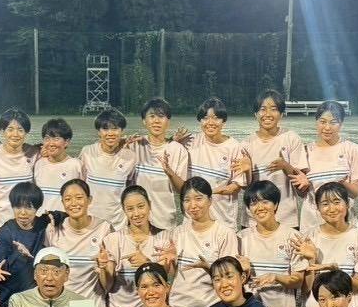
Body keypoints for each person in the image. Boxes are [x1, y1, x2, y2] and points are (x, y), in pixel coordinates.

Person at [294, 182, 358, 307]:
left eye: (337, 202)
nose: (331, 209)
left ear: (348, 204)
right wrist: (312, 260)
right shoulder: (307, 238)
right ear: (317, 208)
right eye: (325, 204)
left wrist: (337, 274)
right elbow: (306, 289)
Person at [97, 185, 173, 307]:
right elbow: (106, 285)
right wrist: (103, 268)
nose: (136, 213)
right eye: (130, 209)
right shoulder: (113, 240)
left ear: (150, 205)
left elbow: (165, 281)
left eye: (141, 206)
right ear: (124, 210)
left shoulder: (164, 237)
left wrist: (147, 263)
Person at [167, 178, 240, 307]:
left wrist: (208, 268)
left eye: (198, 198)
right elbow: (172, 274)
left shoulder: (224, 233)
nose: (193, 205)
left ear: (210, 200)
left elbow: (229, 276)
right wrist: (169, 262)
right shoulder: (177, 232)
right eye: (187, 200)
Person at [237, 180, 303, 307]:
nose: (260, 207)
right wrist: (243, 272)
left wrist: (276, 277)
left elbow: (299, 281)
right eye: (254, 203)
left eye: (265, 202)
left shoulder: (293, 236)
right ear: (248, 209)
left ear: (276, 205)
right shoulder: (240, 238)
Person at [296, 100, 358, 231]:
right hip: (312, 222)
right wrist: (301, 186)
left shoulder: (352, 149)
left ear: (341, 124)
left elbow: (356, 193)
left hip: (343, 220)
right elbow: (302, 194)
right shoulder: (305, 151)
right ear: (316, 122)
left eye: (333, 122)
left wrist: (342, 183)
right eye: (322, 122)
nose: (327, 127)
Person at [242, 89, 308, 228]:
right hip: (254, 219)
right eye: (262, 109)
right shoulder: (246, 144)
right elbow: (244, 187)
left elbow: (302, 187)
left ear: (281, 114)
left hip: (286, 218)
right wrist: (247, 170)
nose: (268, 114)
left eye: (273, 109)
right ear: (255, 114)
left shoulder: (291, 138)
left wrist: (285, 166)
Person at [44, 179, 112, 304]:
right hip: (60, 304)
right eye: (68, 199)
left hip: (89, 304)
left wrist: (103, 268)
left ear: (89, 200)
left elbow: (109, 285)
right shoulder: (53, 229)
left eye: (79, 197)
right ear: (62, 202)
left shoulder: (104, 229)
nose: (74, 203)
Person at [186, 97, 251, 226]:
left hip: (223, 221)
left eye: (216, 118)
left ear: (223, 121)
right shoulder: (190, 142)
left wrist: (207, 192)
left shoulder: (234, 147)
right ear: (200, 121)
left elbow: (235, 187)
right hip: (193, 221)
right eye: (205, 118)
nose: (210, 122)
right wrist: (173, 139)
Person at [129, 97, 189, 229]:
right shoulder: (134, 146)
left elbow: (182, 190)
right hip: (136, 221)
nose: (156, 121)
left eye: (161, 116)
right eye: (152, 116)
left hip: (164, 221)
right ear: (144, 121)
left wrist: (170, 173)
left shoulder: (178, 150)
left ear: (168, 121)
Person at [80, 107, 139, 228]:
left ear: (122, 131)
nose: (110, 133)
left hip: (118, 225)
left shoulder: (130, 157)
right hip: (90, 223)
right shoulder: (87, 152)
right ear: (99, 131)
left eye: (115, 128)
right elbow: (79, 185)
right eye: (105, 129)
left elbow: (130, 188)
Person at [0, 109, 38, 226]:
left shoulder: (34, 153)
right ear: (2, 131)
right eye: (10, 129)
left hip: (27, 223)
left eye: (20, 130)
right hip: (0, 222)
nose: (15, 134)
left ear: (26, 132)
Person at [33, 118, 83, 213]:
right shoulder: (39, 164)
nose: (51, 143)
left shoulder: (76, 165)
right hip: (41, 219)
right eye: (47, 138)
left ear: (66, 142)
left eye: (56, 139)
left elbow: (83, 196)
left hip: (66, 219)